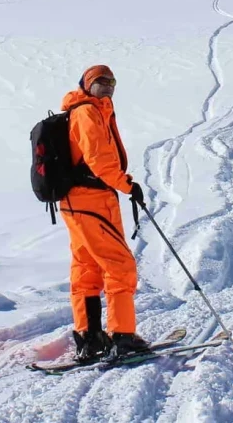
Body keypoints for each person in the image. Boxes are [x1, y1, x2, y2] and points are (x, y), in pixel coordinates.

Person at [59, 64, 151, 362]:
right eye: (101, 81)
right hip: (92, 200)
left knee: (87, 268)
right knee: (119, 266)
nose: (109, 85)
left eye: (112, 81)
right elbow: (99, 160)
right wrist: (127, 185)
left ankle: (90, 337)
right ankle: (122, 337)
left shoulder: (90, 111)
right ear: (87, 84)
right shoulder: (86, 113)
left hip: (78, 201)